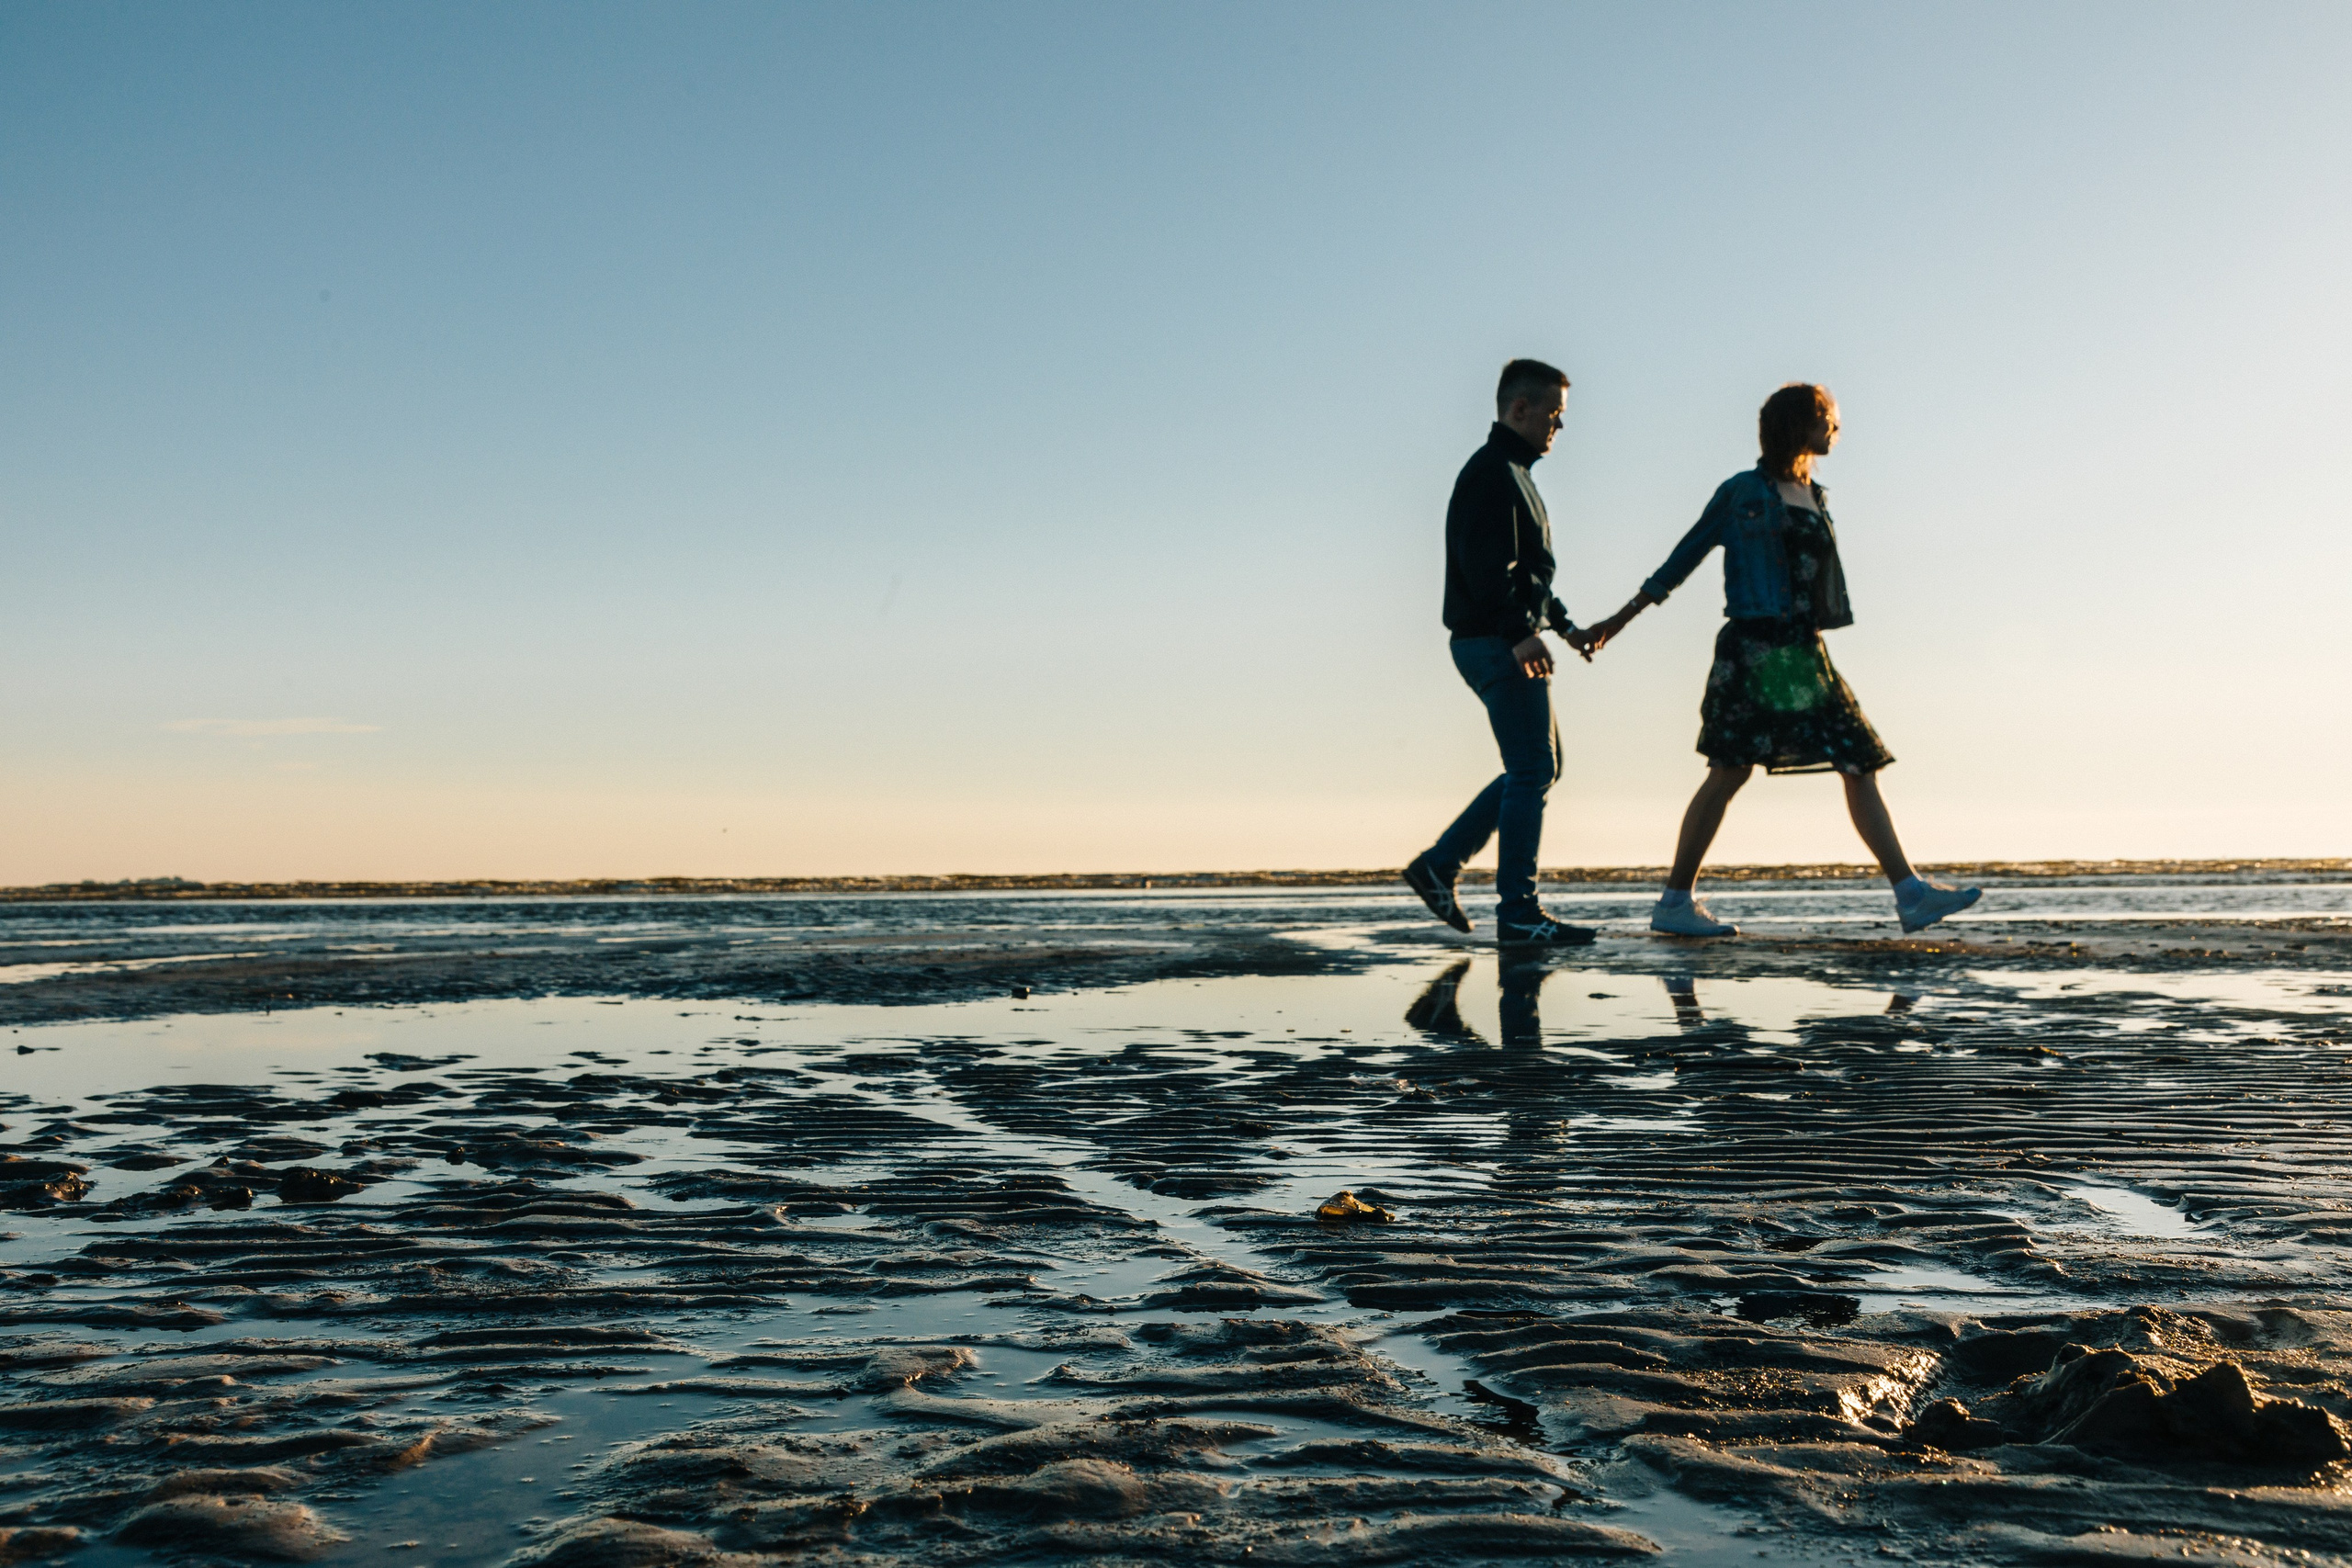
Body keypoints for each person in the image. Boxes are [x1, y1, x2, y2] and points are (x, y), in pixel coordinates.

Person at [1584, 384, 1980, 938]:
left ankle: (1910, 894)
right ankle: (1675, 901)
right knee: (1730, 769)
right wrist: (1617, 621)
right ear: (1799, 424)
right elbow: (1679, 562)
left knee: (1856, 759)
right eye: (1827, 419)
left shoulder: (1815, 494)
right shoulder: (1741, 492)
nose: (1836, 428)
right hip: (1754, 649)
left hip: (1802, 651)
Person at [1401, 358, 1600, 947]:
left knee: (1539, 767)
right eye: (1554, 415)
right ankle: (1517, 912)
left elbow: (1528, 577)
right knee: (1534, 769)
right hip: (1492, 640)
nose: (1558, 428)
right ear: (1520, 409)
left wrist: (1563, 626)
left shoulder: (1515, 473)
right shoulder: (1491, 472)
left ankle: (1440, 865)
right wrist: (1520, 633)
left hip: (1496, 635)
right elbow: (1488, 569)